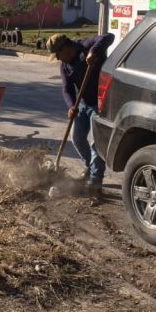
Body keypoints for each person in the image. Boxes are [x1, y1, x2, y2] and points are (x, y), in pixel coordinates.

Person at [48, 32, 115, 200]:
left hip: (101, 103)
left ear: (66, 48)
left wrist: (94, 52)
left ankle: (95, 181)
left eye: (58, 54)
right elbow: (67, 89)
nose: (57, 58)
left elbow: (109, 36)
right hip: (82, 103)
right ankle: (89, 167)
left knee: (96, 143)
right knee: (77, 137)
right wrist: (71, 106)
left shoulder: (86, 46)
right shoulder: (64, 66)